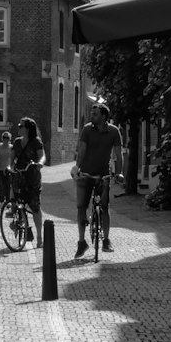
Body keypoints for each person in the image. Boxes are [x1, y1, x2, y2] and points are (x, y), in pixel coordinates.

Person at [73, 101, 123, 257]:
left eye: (95, 114)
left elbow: (118, 155)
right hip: (86, 173)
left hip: (103, 174)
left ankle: (106, 240)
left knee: (104, 207)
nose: (91, 116)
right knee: (81, 207)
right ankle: (82, 242)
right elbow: (81, 151)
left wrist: (119, 173)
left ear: (104, 116)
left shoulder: (114, 132)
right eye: (91, 114)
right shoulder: (87, 130)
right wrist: (77, 168)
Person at [12, 116, 45, 247]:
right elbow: (11, 157)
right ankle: (15, 218)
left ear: (28, 129)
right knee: (14, 201)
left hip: (32, 177)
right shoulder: (16, 142)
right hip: (19, 176)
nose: (18, 128)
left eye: (21, 126)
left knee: (35, 206)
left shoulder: (36, 141)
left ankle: (39, 237)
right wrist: (9, 166)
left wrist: (40, 163)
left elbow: (42, 155)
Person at [0, 131, 13, 204]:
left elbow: (15, 157)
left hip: (8, 170)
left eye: (7, 138)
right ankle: (2, 202)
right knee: (2, 186)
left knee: (8, 186)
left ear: (10, 139)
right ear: (2, 138)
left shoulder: (11, 147)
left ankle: (8, 202)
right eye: (4, 137)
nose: (5, 139)